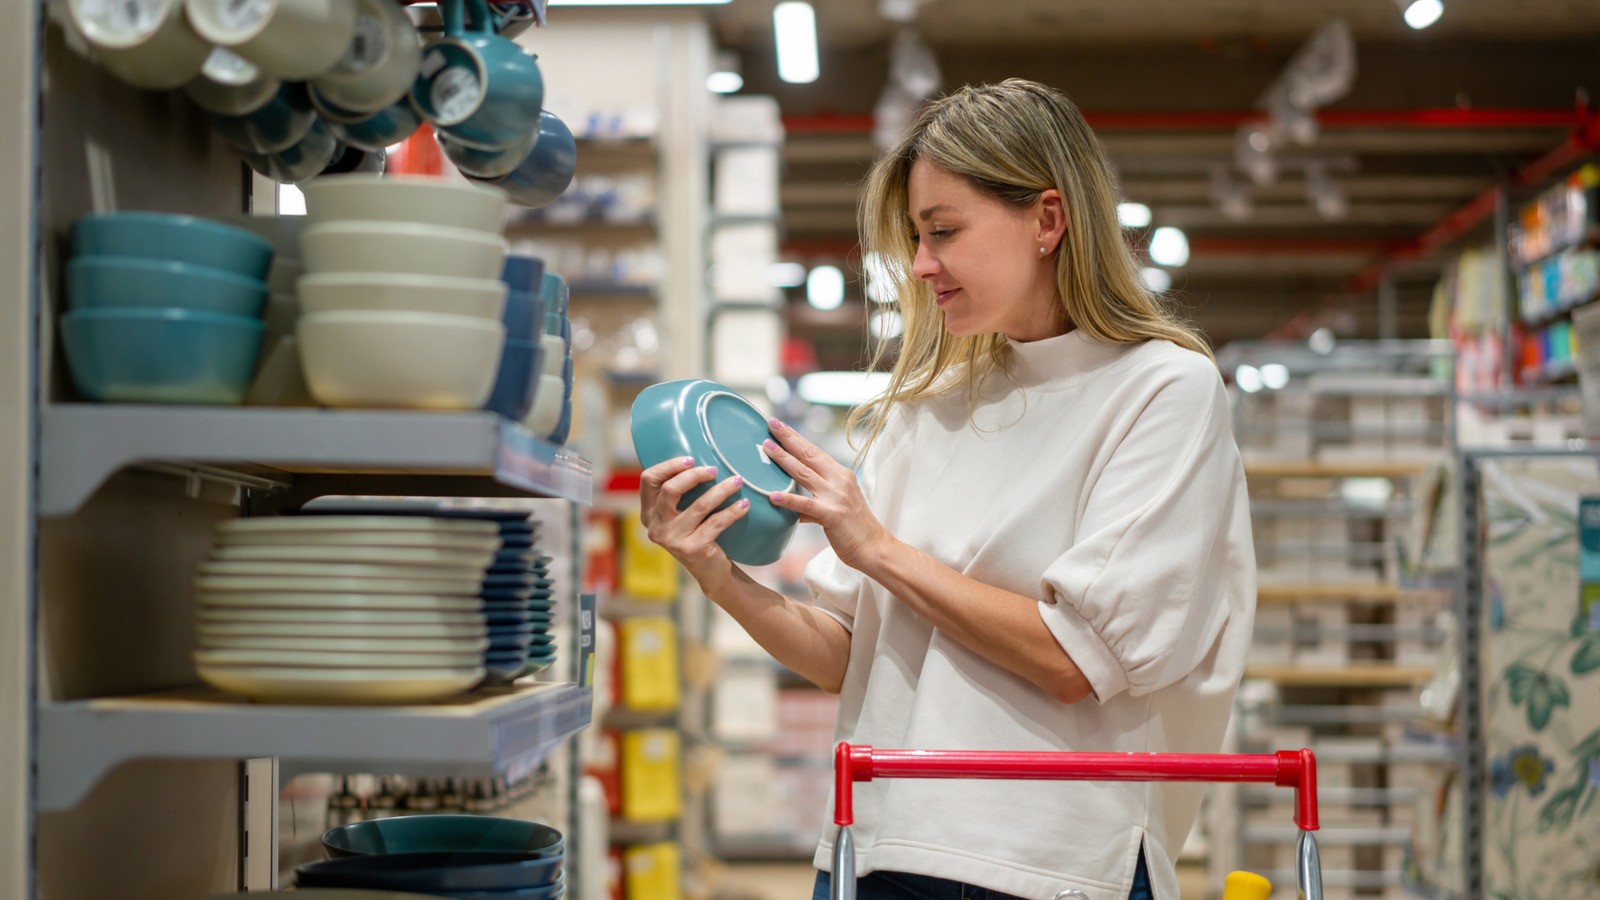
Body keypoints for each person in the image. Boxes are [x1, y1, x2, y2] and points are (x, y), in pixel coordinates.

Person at [638, 79, 1255, 900]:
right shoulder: (929, 410)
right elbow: (844, 655)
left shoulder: (1163, 392)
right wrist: (718, 575)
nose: (921, 267)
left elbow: (1078, 659)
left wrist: (880, 550)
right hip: (873, 843)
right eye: (917, 240)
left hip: (1051, 866)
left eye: (944, 233)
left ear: (1047, 219)